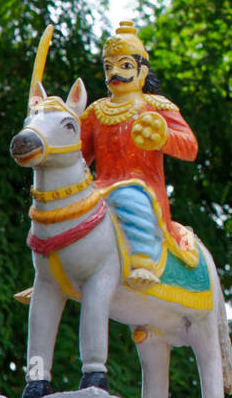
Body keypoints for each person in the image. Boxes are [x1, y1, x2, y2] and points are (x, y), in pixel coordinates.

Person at [80, 21, 199, 290]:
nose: (114, 73)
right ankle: (52, 274)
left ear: (142, 71)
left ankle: (144, 261)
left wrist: (164, 138)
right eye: (108, 67)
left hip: (140, 187)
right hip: (97, 189)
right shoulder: (95, 112)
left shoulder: (156, 106)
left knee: (127, 196)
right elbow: (77, 156)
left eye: (124, 66)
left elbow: (190, 146)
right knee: (61, 211)